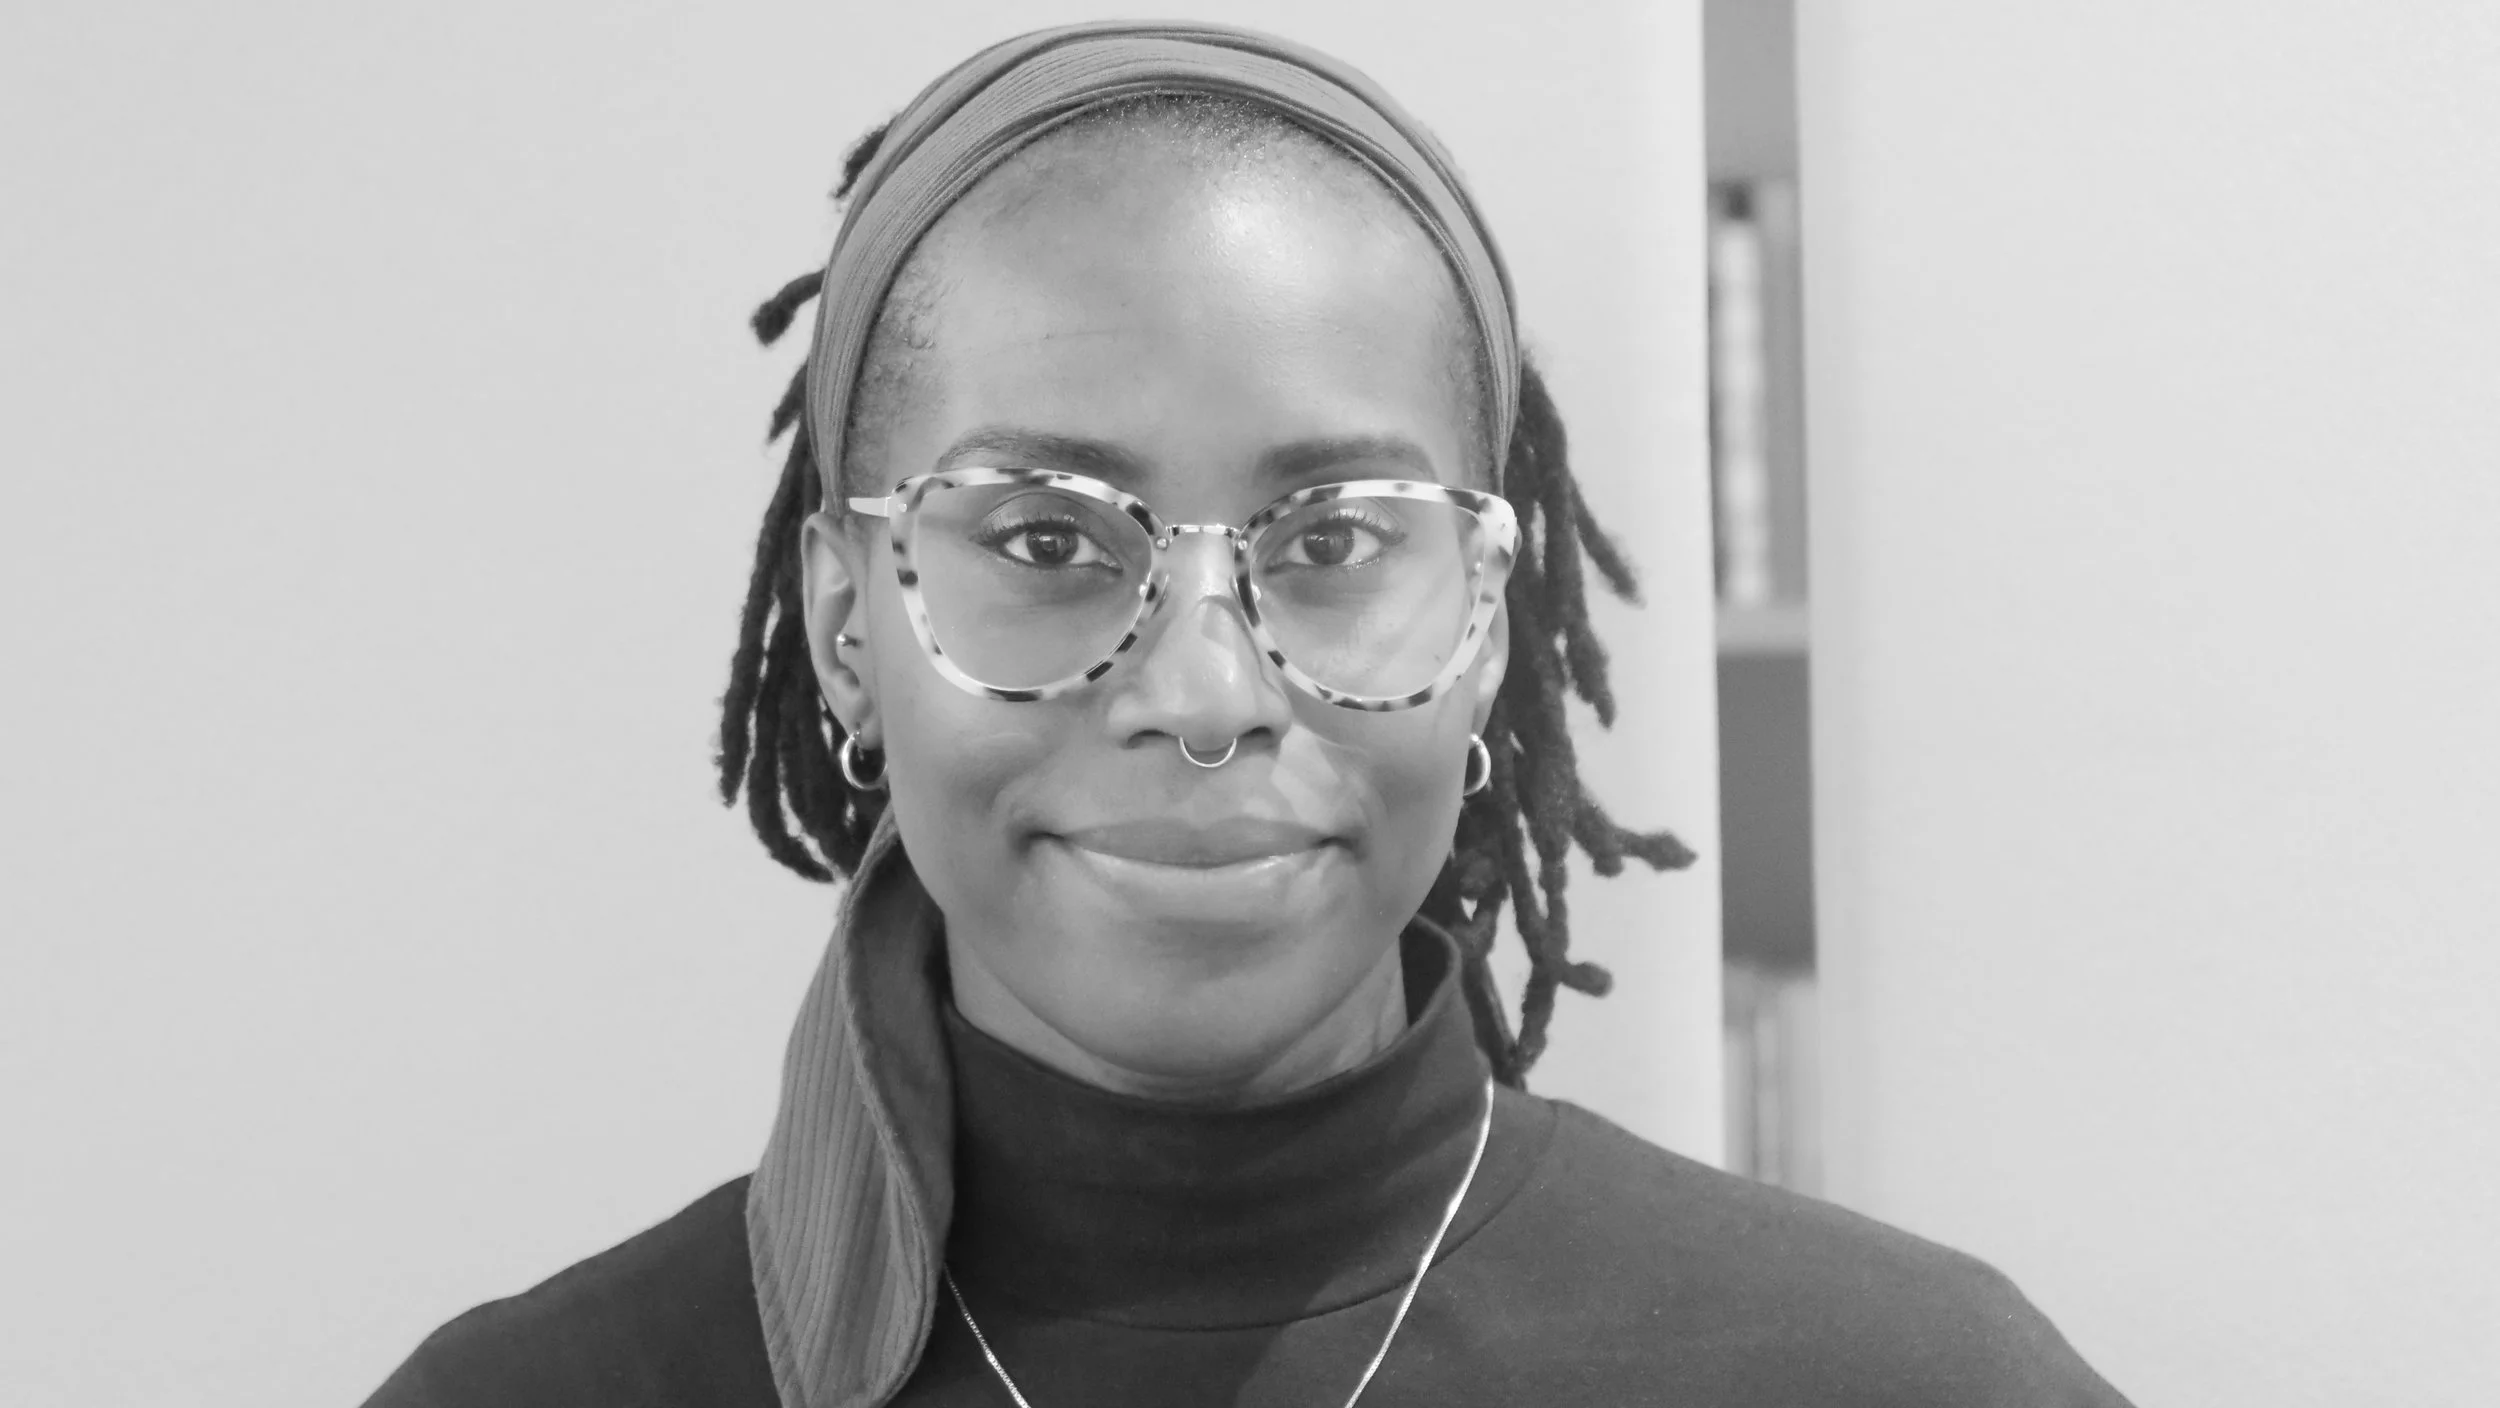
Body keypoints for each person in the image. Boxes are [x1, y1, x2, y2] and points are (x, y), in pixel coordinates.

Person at [365, 21, 2130, 1408]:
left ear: (1490, 621)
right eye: (1048, 539)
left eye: (1339, 540)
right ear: (847, 625)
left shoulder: (1903, 1380)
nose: (1205, 693)